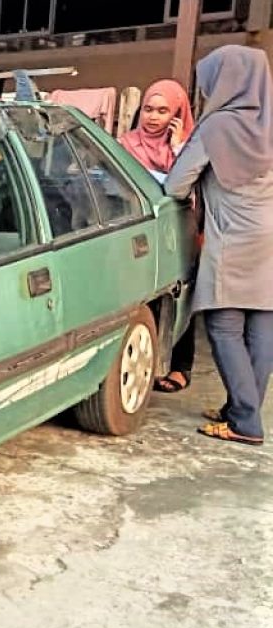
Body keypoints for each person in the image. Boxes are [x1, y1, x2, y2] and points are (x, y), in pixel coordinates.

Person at [164, 45, 273, 446]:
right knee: (262, 324)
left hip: (234, 236)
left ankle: (245, 422)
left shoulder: (217, 127)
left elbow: (176, 185)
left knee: (224, 324)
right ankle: (241, 410)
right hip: (270, 237)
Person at [119, 79, 198, 394]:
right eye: (149, 109)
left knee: (179, 293)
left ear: (177, 115)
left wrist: (178, 148)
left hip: (176, 229)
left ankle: (181, 366)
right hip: (137, 229)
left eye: (163, 111)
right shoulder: (125, 144)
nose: (153, 117)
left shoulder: (189, 147)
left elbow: (188, 185)